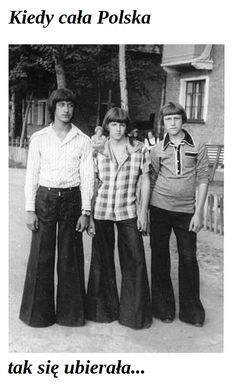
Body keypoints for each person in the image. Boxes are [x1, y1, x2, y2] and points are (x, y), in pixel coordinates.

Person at [19, 88, 94, 327]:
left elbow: (88, 177)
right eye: (61, 105)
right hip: (45, 198)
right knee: (41, 256)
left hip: (72, 201)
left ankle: (70, 316)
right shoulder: (39, 138)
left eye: (70, 105)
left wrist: (85, 211)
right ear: (54, 107)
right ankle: (37, 315)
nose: (66, 109)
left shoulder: (83, 140)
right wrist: (30, 209)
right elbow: (32, 174)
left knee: (69, 256)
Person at [86, 107, 152, 329]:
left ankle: (134, 316)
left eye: (122, 124)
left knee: (135, 260)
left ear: (127, 127)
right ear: (107, 126)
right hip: (102, 210)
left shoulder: (139, 149)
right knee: (101, 260)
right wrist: (90, 215)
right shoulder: (97, 150)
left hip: (128, 211)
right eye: (113, 124)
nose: (118, 128)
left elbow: (145, 180)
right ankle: (102, 311)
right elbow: (93, 182)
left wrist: (143, 212)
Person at [149, 102, 209, 327]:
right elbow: (152, 179)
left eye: (176, 119)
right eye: (168, 119)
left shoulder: (197, 145)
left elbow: (203, 178)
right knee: (160, 257)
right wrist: (145, 212)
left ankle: (192, 312)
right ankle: (163, 308)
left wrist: (199, 212)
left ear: (182, 120)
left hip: (186, 212)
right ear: (163, 123)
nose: (172, 123)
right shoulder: (156, 149)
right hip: (159, 209)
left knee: (188, 258)